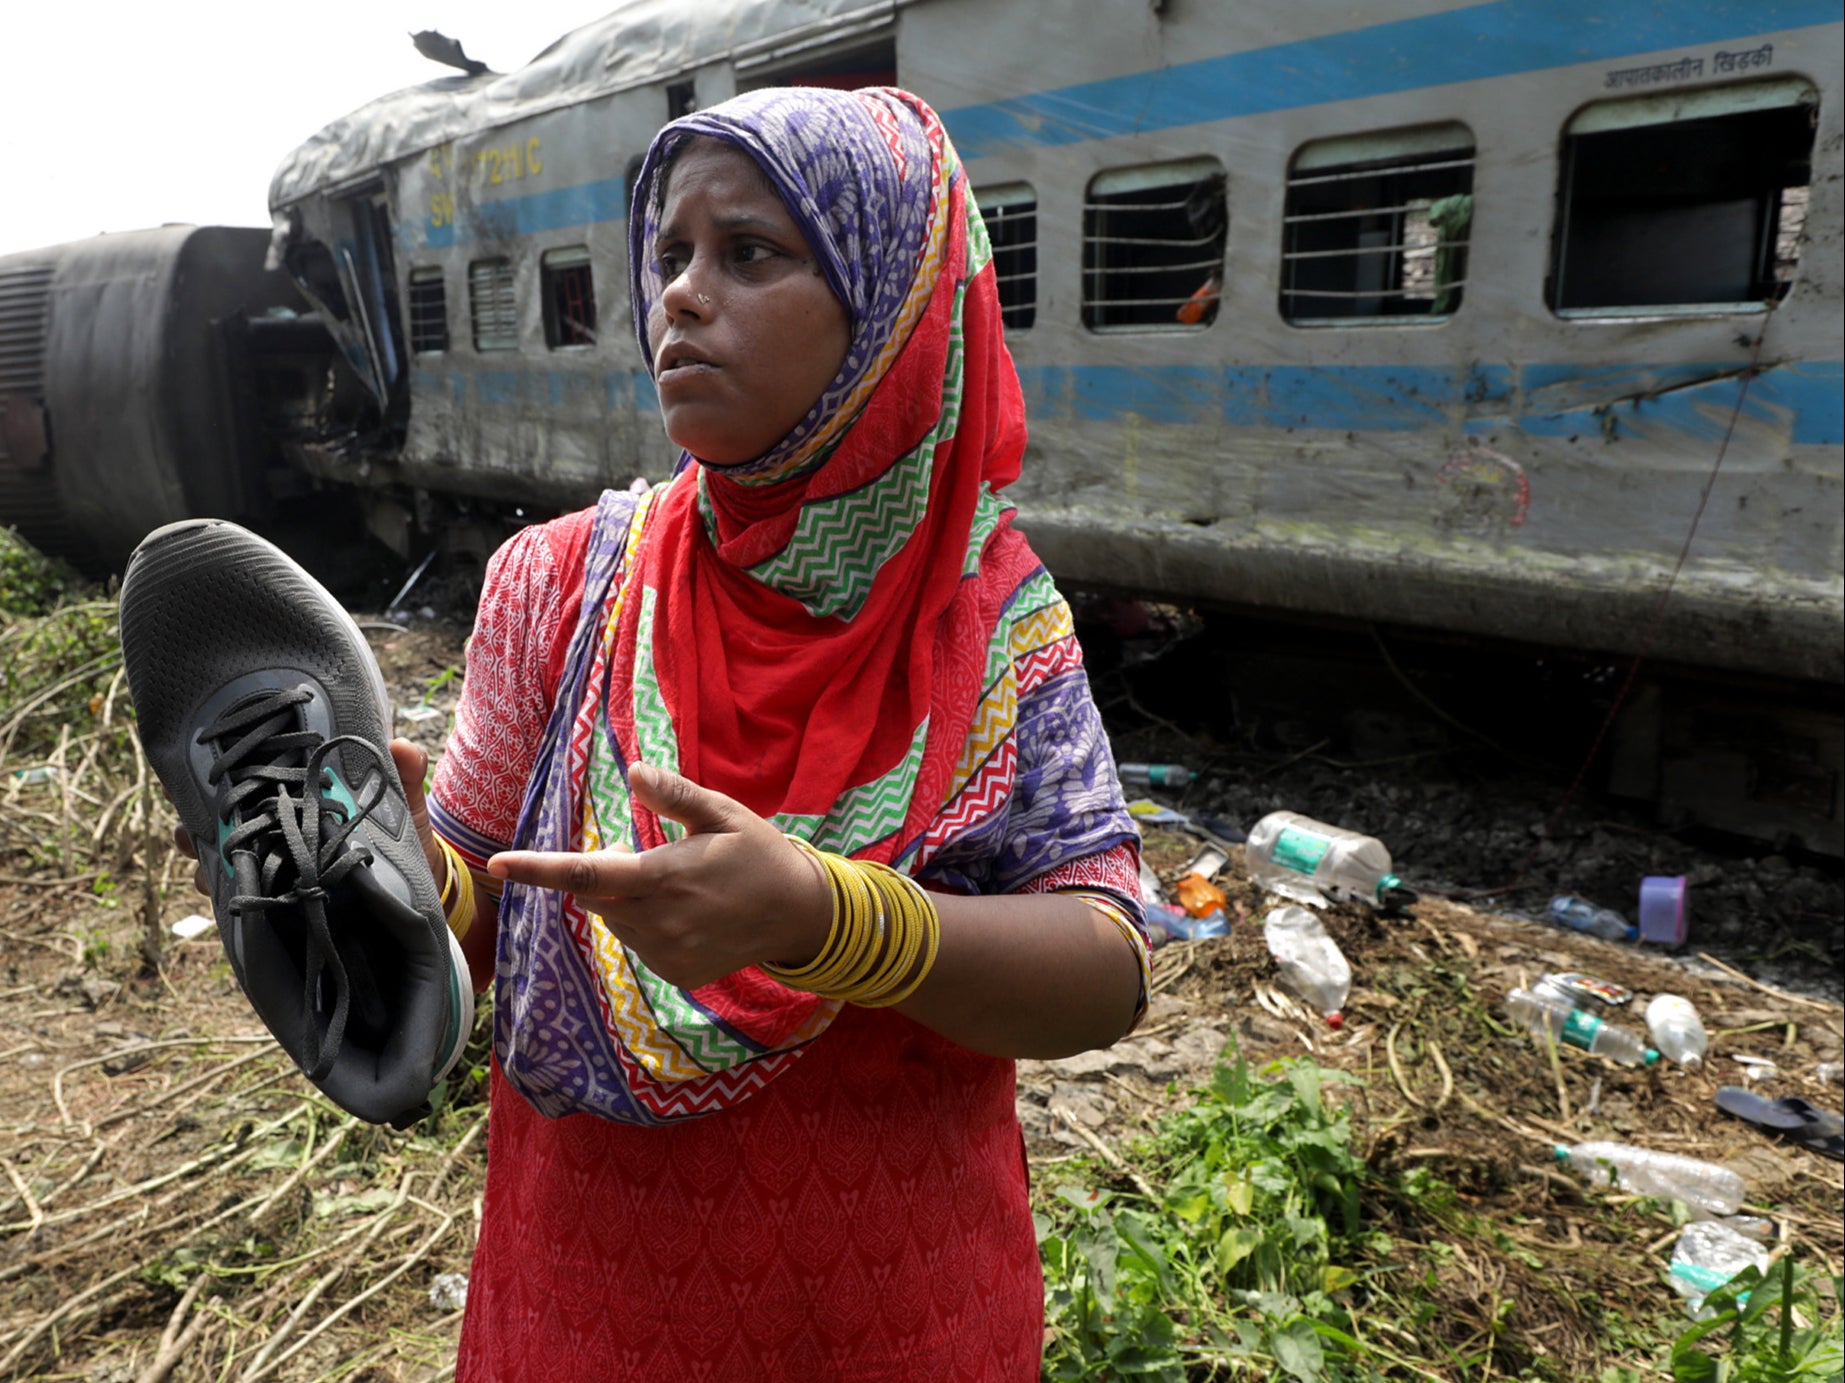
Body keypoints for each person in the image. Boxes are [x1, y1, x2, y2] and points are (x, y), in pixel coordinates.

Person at [418, 85, 1150, 1380]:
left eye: (748, 253)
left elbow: (1103, 970)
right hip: (587, 1311)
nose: (680, 299)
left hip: (898, 1320)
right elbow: (469, 921)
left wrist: (830, 923)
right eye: (668, 257)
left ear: (887, 305)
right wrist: (391, 882)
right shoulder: (557, 587)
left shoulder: (992, 622)